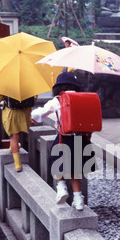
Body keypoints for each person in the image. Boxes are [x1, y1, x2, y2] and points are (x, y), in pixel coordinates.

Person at [31, 72, 96, 211]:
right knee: (76, 169)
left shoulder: (58, 100)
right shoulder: (82, 98)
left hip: (64, 138)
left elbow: (40, 114)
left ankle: (61, 188)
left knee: (55, 161)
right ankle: (78, 200)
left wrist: (33, 116)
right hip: (81, 138)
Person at [0, 93, 36, 172]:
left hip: (12, 112)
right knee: (18, 132)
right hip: (25, 112)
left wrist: (3, 95)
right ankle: (13, 147)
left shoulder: (6, 85)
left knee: (13, 137)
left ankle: (17, 163)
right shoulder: (29, 83)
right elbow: (34, 99)